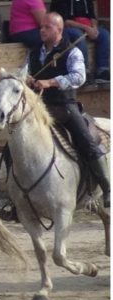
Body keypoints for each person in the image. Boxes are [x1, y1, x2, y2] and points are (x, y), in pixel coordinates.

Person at [25, 12, 109, 207]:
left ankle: (107, 187)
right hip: (39, 108)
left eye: (47, 27)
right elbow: (25, 71)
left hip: (64, 106)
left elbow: (79, 77)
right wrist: (27, 79)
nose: (42, 30)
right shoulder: (34, 51)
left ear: (59, 30)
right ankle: (19, 196)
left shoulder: (72, 51)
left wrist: (51, 82)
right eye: (42, 27)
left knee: (87, 141)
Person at [50, 0, 110, 82]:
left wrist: (94, 28)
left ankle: (102, 71)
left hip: (86, 26)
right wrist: (86, 28)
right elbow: (65, 21)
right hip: (67, 28)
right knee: (79, 35)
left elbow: (92, 17)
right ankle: (84, 71)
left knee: (104, 35)